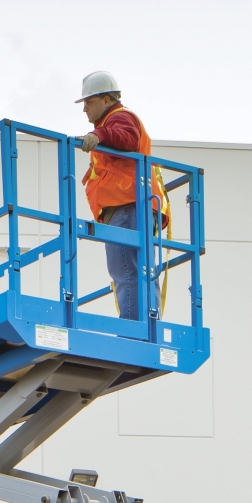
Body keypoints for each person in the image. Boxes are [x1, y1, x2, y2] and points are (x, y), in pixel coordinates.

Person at [77, 71, 165, 322]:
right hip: (133, 205)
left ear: (106, 100)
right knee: (140, 271)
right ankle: (148, 327)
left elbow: (127, 138)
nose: (84, 109)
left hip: (127, 204)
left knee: (126, 270)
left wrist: (100, 135)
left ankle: (133, 330)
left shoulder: (120, 117)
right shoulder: (114, 122)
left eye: (89, 101)